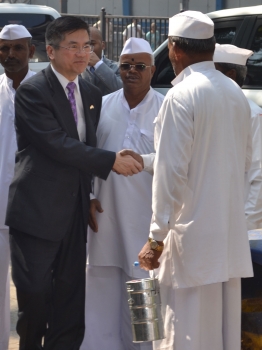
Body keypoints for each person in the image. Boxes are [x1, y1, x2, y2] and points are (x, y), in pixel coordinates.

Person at [5, 16, 142, 350]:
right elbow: (57, 145)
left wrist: (91, 194)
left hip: (74, 214)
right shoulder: (33, 91)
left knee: (69, 304)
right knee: (35, 299)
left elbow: (85, 146)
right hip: (36, 214)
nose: (82, 54)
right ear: (50, 51)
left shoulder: (91, 91)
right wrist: (111, 161)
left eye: (87, 46)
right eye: (73, 47)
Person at [138, 11, 253, 350]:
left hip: (190, 238)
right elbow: (237, 165)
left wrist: (156, 237)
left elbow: (174, 171)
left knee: (183, 333)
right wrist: (144, 161)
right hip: (227, 235)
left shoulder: (182, 95)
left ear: (173, 49)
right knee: (220, 333)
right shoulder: (233, 92)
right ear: (212, 47)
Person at [80, 38, 164, 350]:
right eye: (126, 65)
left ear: (152, 70)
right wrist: (88, 197)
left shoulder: (165, 109)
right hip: (103, 218)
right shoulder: (102, 105)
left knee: (144, 295)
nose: (132, 71)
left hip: (145, 221)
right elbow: (86, 156)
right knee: (101, 291)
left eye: (140, 66)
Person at [0, 24, 35, 350]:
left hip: (35, 209)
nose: (10, 55)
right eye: (4, 49)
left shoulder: (43, 91)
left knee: (35, 290)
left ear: (32, 52)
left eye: (17, 48)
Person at [213, 44, 262, 230]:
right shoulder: (208, 109)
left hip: (238, 221)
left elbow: (259, 176)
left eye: (212, 72)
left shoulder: (252, 114)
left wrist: (247, 224)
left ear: (230, 75)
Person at [82, 27, 122, 96]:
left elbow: (121, 91)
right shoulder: (75, 68)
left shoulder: (116, 67)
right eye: (84, 46)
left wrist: (98, 64)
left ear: (103, 45)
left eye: (92, 44)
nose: (88, 49)